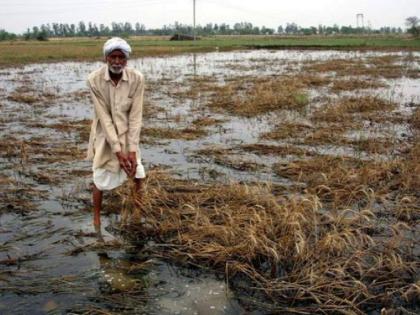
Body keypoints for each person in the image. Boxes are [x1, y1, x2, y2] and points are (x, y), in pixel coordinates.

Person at [86, 37, 146, 227]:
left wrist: (132, 151)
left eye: (121, 57)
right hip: (104, 135)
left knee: (136, 174)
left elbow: (136, 117)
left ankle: (138, 214)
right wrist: (118, 151)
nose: (117, 61)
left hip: (128, 133)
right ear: (106, 58)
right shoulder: (94, 80)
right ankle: (96, 219)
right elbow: (104, 118)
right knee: (100, 176)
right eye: (113, 57)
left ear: (126, 60)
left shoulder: (137, 79)